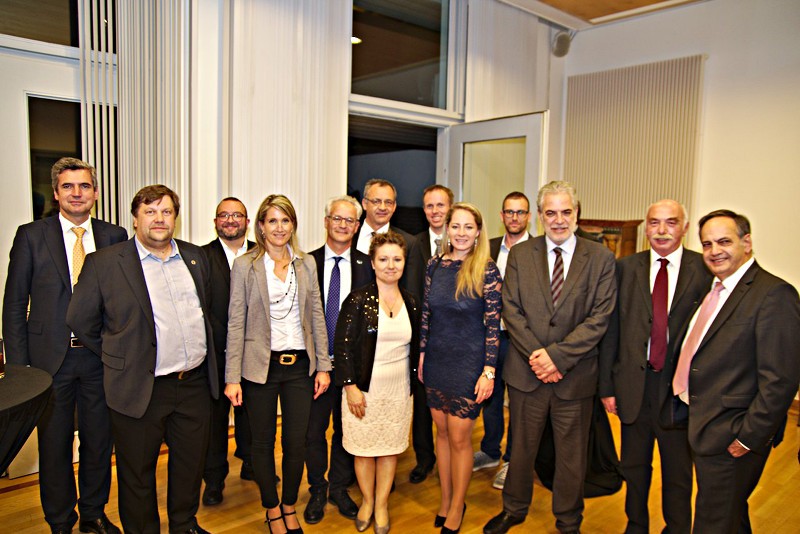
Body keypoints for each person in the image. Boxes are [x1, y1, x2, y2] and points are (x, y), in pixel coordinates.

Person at [67, 185, 216, 534]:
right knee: (137, 472)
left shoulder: (195, 258)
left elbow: (207, 313)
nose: (159, 219)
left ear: (175, 218)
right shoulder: (105, 263)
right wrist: (118, 354)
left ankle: (184, 524)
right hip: (139, 386)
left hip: (192, 384)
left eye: (166, 211)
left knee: (189, 465)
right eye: (150, 212)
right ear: (135, 219)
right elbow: (80, 320)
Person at [484, 181, 616, 534]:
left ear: (577, 214)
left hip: (574, 376)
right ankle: (514, 509)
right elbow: (510, 310)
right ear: (540, 216)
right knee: (521, 451)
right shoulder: (521, 255)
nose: (559, 220)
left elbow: (600, 317)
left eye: (566, 212)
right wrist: (539, 358)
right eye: (551, 212)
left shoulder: (600, 258)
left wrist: (556, 358)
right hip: (527, 373)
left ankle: (569, 520)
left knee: (572, 457)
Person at [2, 158, 126, 534]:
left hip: (98, 360)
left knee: (98, 443)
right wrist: (22, 372)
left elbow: (125, 301)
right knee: (54, 447)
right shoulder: (30, 235)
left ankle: (93, 514)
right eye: (69, 187)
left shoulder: (114, 236)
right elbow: (13, 307)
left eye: (84, 186)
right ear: (56, 193)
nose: (77, 193)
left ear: (96, 193)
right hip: (47, 366)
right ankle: (60, 520)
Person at [671, 209, 800, 533]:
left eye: (724, 241)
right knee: (728, 515)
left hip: (733, 433)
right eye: (707, 244)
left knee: (712, 523)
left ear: (747, 242)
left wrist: (748, 437)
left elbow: (781, 379)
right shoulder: (716, 289)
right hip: (705, 422)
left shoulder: (774, 294)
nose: (715, 251)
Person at [598, 199, 710, 533]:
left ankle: (677, 528)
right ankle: (636, 525)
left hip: (678, 391)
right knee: (634, 467)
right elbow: (612, 331)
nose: (661, 230)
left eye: (671, 222)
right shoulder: (626, 267)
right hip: (634, 387)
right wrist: (606, 387)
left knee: (678, 472)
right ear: (646, 227)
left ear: (685, 228)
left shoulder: (703, 270)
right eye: (654, 223)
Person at [224, 194, 331, 534]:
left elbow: (316, 316)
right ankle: (271, 508)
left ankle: (289, 506)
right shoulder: (246, 265)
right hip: (259, 368)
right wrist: (232, 377)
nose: (279, 227)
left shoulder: (306, 264)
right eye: (272, 221)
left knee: (296, 441)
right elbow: (235, 322)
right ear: (260, 226)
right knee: (262, 442)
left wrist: (324, 366)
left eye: (285, 220)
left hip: (299, 366)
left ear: (293, 225)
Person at [420, 203, 502, 534]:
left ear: (479, 231)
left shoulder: (488, 269)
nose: (462, 233)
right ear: (447, 229)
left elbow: (494, 326)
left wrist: (489, 370)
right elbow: (427, 313)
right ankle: (445, 497)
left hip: (469, 362)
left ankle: (457, 505)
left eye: (469, 227)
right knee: (440, 433)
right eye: (456, 226)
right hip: (437, 359)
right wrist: (423, 354)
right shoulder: (434, 265)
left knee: (459, 438)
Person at [334, 231, 420, 534]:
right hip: (364, 390)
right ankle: (367, 501)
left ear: (404, 262)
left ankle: (382, 503)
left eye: (397, 259)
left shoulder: (411, 302)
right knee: (364, 450)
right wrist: (350, 387)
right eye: (384, 259)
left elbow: (417, 346)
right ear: (373, 262)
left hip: (398, 391)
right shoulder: (357, 299)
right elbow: (342, 347)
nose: (390, 265)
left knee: (389, 451)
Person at [352, 178, 432, 483]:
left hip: (391, 347)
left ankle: (384, 483)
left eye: (388, 202)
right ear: (365, 204)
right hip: (355, 342)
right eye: (376, 201)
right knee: (354, 415)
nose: (382, 207)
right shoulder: (351, 236)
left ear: (394, 207)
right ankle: (349, 476)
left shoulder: (407, 243)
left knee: (387, 418)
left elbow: (412, 299)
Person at [303, 195, 374, 524]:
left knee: (346, 431)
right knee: (313, 431)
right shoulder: (305, 263)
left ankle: (339, 488)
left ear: (357, 226)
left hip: (352, 369)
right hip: (315, 366)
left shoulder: (368, 265)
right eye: (337, 218)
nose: (343, 225)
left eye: (350, 221)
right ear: (326, 221)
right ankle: (317, 487)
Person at [475, 192, 532, 490]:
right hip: (490, 335)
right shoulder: (489, 248)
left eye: (520, 212)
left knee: (519, 401)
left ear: (529, 216)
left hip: (520, 338)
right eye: (509, 212)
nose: (514, 218)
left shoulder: (537, 250)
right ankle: (490, 450)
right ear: (501, 215)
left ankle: (512, 460)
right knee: (491, 396)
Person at [201, 197, 256, 506]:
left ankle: (251, 465)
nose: (231, 220)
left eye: (237, 215)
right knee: (215, 422)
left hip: (255, 354)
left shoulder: (262, 254)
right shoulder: (201, 257)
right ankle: (214, 479)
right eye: (224, 215)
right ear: (216, 222)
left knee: (253, 417)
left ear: (248, 222)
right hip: (216, 356)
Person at [416, 184, 454, 262]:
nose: (435, 211)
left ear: (451, 208)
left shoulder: (461, 242)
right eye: (430, 206)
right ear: (424, 209)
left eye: (440, 205)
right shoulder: (414, 243)